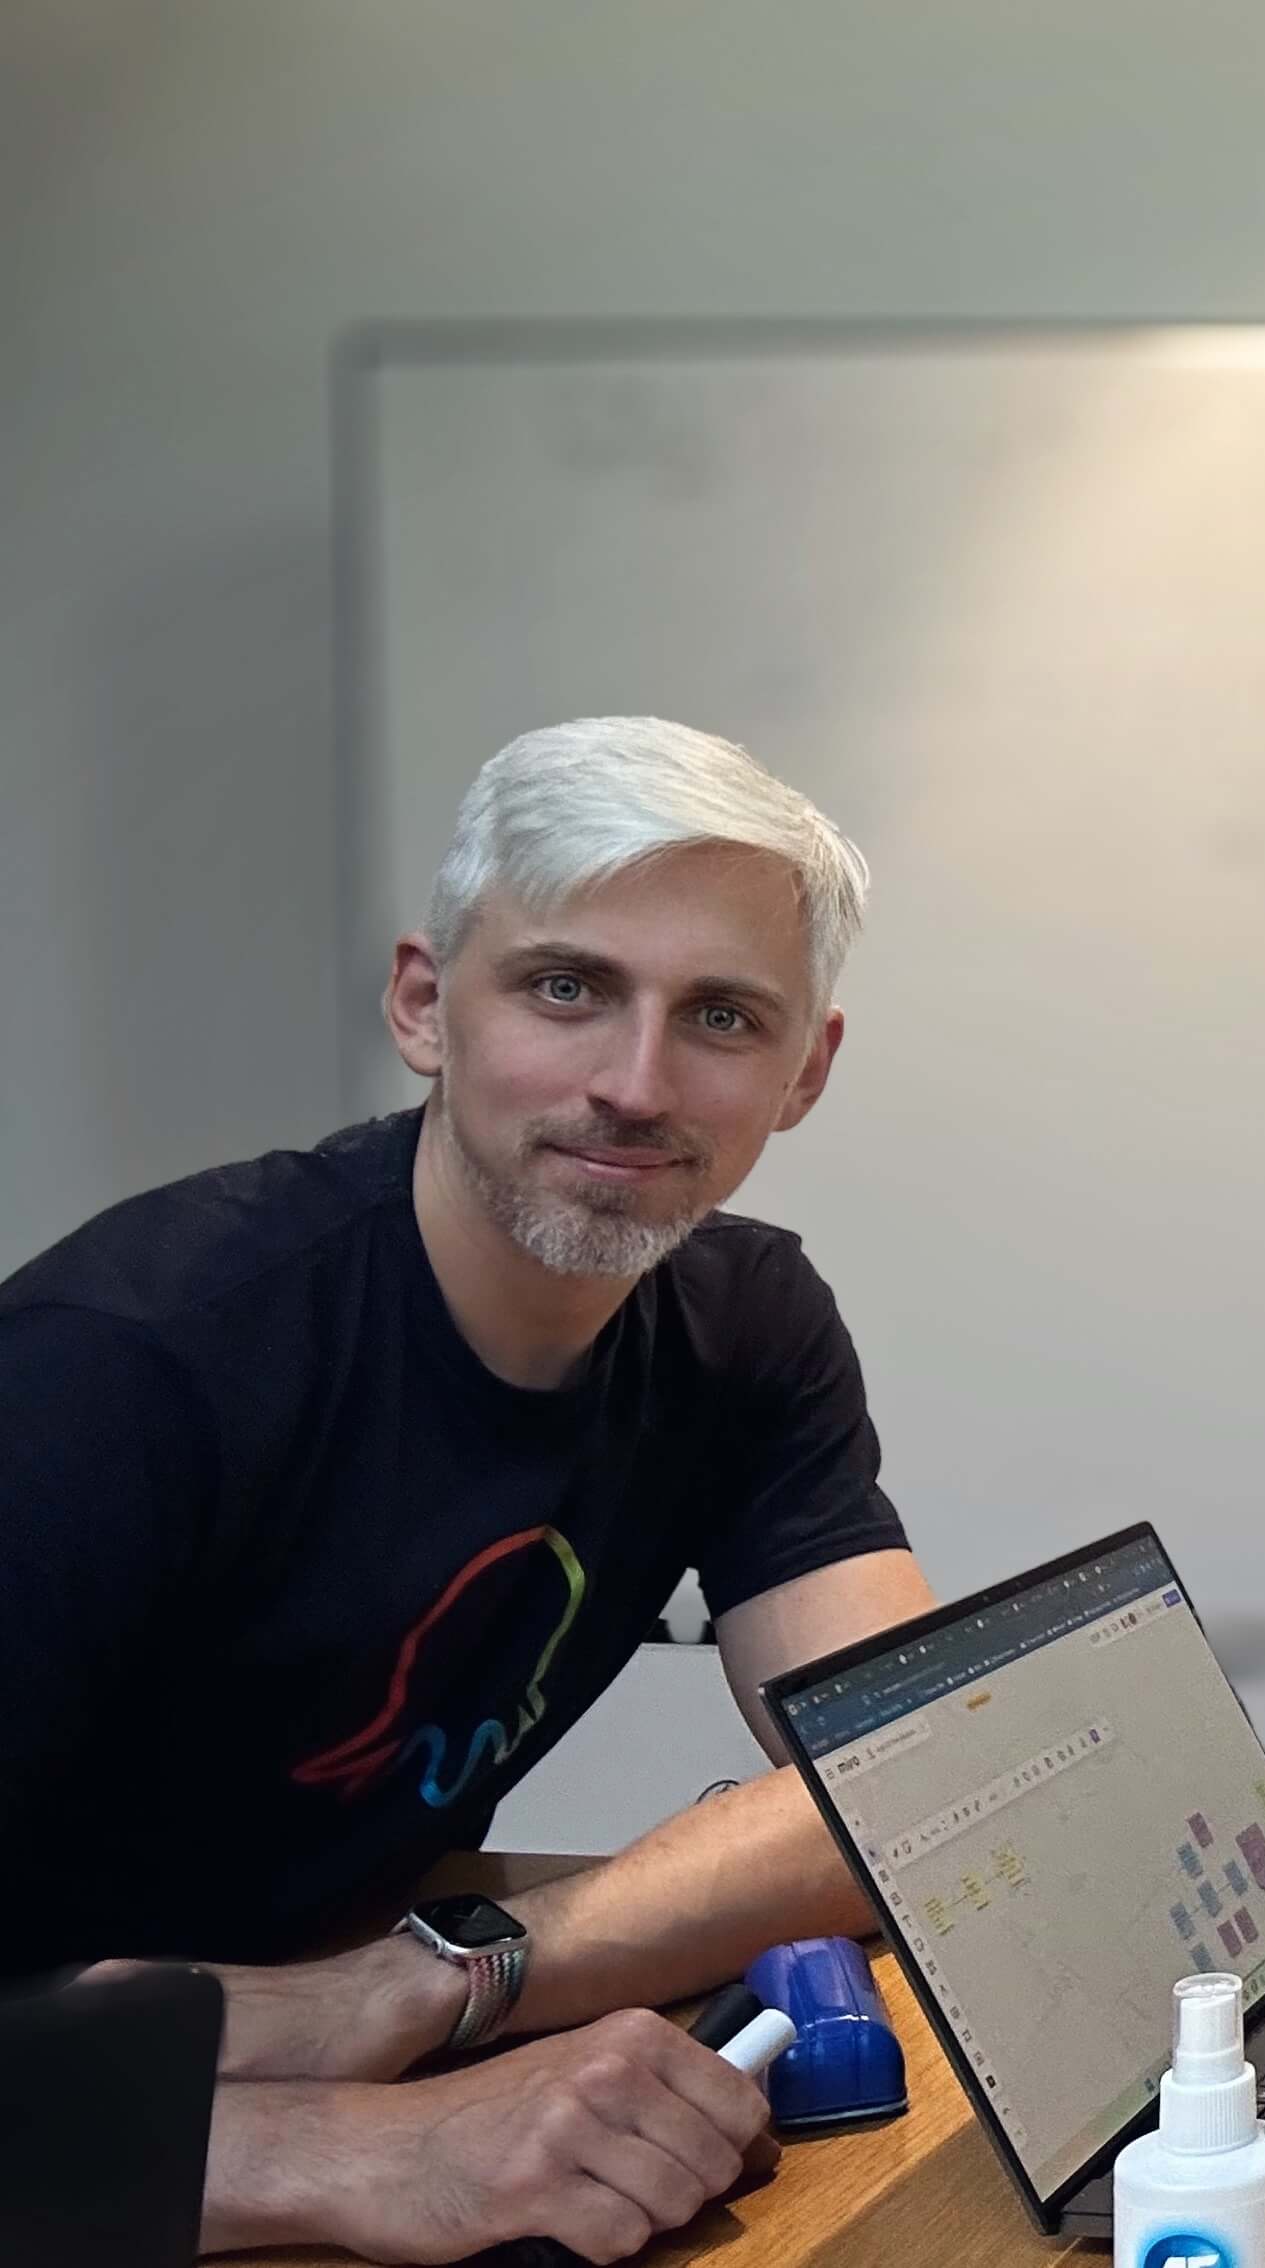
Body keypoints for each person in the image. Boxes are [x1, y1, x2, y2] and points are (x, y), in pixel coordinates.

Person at [0, 717, 943, 2264]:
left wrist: (434, 1977)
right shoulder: (118, 1374)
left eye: (720, 1016)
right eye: (566, 989)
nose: (634, 1084)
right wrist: (345, 2152)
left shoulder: (745, 1329)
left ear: (805, 1073)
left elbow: (915, 1782)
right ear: (425, 1005)